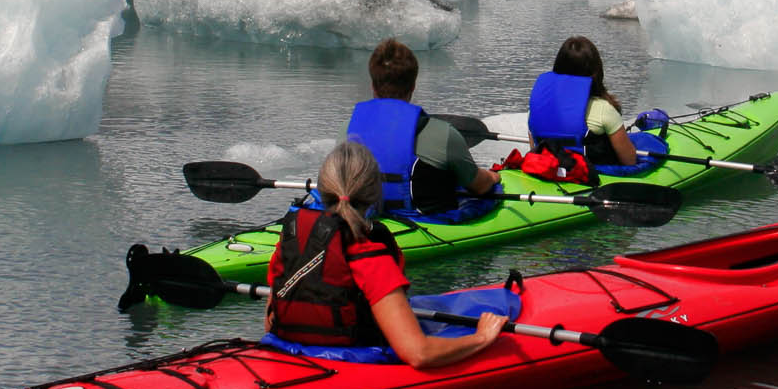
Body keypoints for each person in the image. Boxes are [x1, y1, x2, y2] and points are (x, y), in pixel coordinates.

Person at [264, 141, 507, 367]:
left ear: (323, 189)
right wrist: (482, 337)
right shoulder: (370, 256)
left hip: (290, 356)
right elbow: (419, 354)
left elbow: (270, 322)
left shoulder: (289, 242)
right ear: (373, 194)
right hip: (354, 362)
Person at [348, 38, 497, 216]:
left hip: (363, 219)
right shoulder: (443, 134)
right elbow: (480, 187)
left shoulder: (347, 130)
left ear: (372, 85)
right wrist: (495, 176)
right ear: (413, 86)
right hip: (424, 225)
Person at [529, 35, 640, 172]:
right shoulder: (603, 109)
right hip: (592, 178)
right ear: (596, 71)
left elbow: (534, 147)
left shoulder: (537, 108)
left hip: (549, 172)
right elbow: (629, 161)